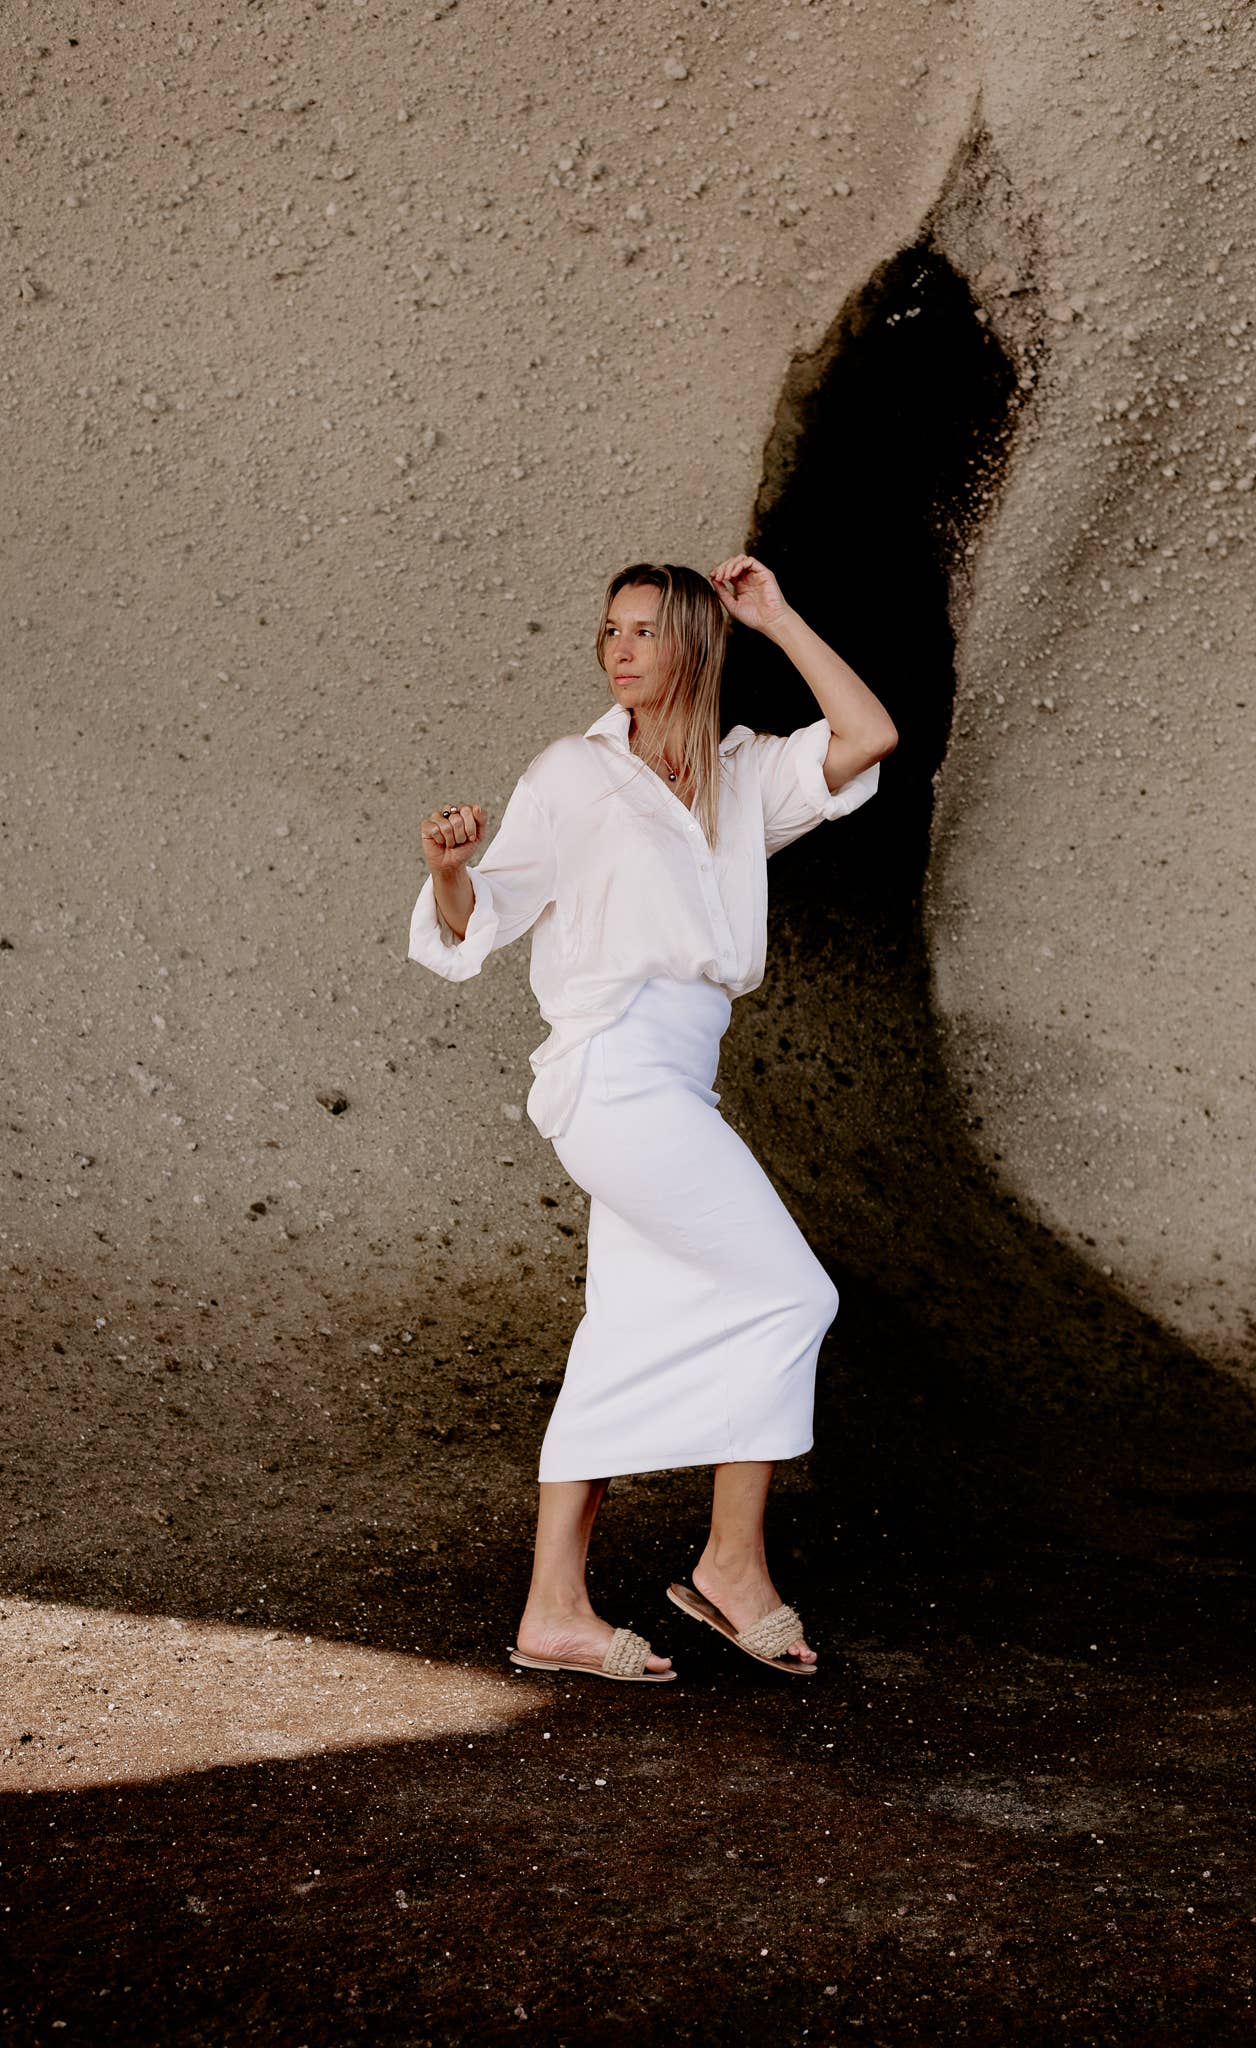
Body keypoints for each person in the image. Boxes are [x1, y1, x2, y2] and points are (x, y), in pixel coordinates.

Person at [409, 555, 897, 1682]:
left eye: (644, 630)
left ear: (695, 643)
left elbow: (868, 734)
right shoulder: (573, 773)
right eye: (609, 630)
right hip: (615, 1070)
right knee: (792, 1293)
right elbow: (483, 916)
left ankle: (553, 1611)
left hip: (680, 1076)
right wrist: (446, 870)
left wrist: (778, 616)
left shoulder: (739, 776)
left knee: (624, 1330)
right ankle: (732, 1565)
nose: (619, 649)